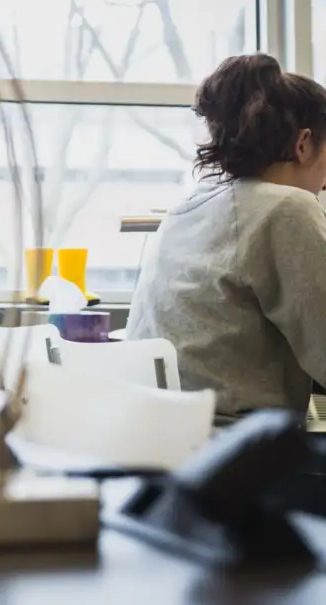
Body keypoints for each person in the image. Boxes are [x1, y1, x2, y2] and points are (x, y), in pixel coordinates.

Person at [127, 52, 326, 422]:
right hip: (235, 449)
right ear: (304, 144)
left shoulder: (187, 208)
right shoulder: (288, 208)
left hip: (162, 437)